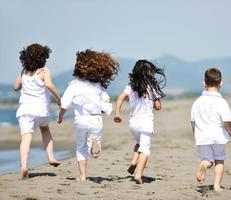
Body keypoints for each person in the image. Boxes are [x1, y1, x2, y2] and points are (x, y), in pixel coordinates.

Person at [57, 49, 119, 181]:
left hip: (81, 119)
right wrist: (101, 108)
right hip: (96, 119)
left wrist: (60, 117)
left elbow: (64, 104)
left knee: (80, 147)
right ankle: (95, 147)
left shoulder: (73, 85)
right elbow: (107, 100)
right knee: (94, 146)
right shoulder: (98, 86)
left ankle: (82, 176)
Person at [13, 43, 61, 180]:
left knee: (26, 138)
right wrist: (58, 98)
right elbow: (49, 85)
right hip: (41, 109)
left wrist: (22, 75)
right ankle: (51, 157)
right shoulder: (44, 71)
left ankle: (23, 166)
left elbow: (15, 87)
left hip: (25, 110)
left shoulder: (24, 72)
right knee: (45, 130)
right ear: (43, 58)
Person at [114, 60, 166, 184]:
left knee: (139, 143)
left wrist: (117, 113)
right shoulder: (152, 87)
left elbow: (120, 97)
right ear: (149, 73)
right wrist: (155, 100)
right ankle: (138, 174)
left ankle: (133, 161)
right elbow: (158, 107)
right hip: (146, 122)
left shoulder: (131, 86)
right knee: (145, 149)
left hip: (133, 123)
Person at [190, 68, 231, 192]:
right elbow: (227, 121)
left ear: (204, 83)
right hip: (218, 135)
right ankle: (216, 186)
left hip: (202, 136)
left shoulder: (197, 103)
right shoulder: (222, 102)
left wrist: (196, 134)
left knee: (207, 159)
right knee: (219, 159)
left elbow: (193, 122)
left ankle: (204, 165)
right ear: (221, 84)